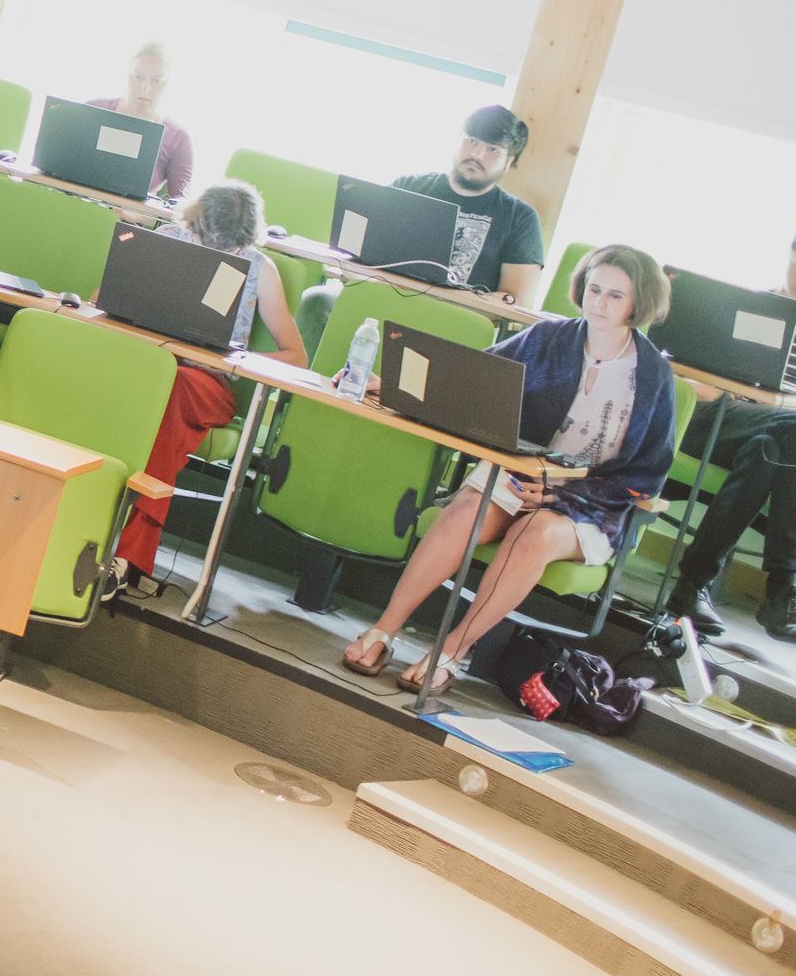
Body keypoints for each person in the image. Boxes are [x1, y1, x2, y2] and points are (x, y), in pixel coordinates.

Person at [340, 244, 678, 693]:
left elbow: (647, 476)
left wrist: (557, 495)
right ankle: (384, 629)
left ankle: (451, 651)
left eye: (615, 295)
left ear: (640, 303)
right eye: (594, 289)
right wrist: (394, 387)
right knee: (466, 512)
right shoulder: (547, 338)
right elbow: (472, 379)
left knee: (533, 533)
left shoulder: (654, 375)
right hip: (520, 473)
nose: (599, 303)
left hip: (593, 504)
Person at [665, 218, 796, 646]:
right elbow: (691, 378)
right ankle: (783, 590)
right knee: (791, 430)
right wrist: (792, 413)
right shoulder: (750, 306)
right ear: (789, 255)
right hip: (714, 421)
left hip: (773, 437)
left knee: (773, 445)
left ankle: (691, 586)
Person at [112, 181, 306, 578]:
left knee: (174, 392)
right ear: (193, 222)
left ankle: (128, 554)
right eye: (204, 239)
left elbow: (296, 356)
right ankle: (121, 554)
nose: (214, 250)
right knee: (152, 387)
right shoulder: (166, 239)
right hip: (146, 366)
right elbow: (107, 300)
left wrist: (232, 357)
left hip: (205, 383)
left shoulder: (259, 268)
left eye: (228, 248)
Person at [393, 104, 547, 300]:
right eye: (472, 141)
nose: (477, 155)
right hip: (389, 302)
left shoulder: (519, 217)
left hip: (458, 321)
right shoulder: (407, 187)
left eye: (492, 149)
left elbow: (514, 299)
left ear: (508, 162)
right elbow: (365, 255)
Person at [84, 42, 193, 198]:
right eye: (138, 77)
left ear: (167, 84)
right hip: (77, 208)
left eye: (156, 80)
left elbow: (178, 210)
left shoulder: (178, 138)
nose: (145, 88)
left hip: (127, 220)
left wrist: (137, 217)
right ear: (127, 76)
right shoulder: (93, 111)